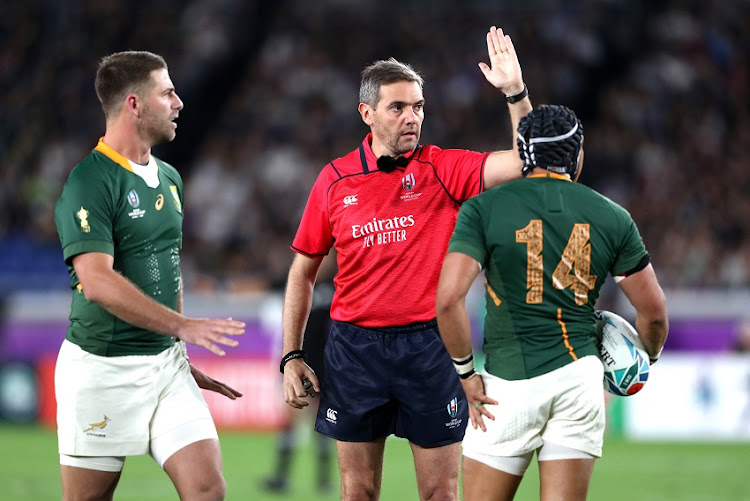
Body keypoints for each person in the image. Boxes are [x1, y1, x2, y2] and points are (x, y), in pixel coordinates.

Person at [280, 26, 532, 501]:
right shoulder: (333, 180)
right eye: (398, 107)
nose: (412, 117)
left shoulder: (443, 167)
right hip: (354, 350)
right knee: (357, 493)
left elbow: (526, 159)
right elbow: (303, 272)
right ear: (367, 113)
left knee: (441, 493)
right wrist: (292, 354)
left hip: (431, 348)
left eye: (418, 106)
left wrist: (515, 93)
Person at [435, 104, 669, 501]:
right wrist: (643, 359)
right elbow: (655, 315)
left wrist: (465, 373)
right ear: (576, 155)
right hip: (580, 379)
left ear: (523, 154)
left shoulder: (484, 208)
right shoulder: (612, 216)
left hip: (507, 383)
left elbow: (448, 300)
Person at [53, 51, 246, 501]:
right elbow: (97, 281)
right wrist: (182, 325)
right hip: (102, 370)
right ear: (134, 104)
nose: (179, 102)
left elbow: (168, 267)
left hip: (166, 367)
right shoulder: (90, 182)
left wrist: (175, 346)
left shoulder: (171, 178)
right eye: (168, 93)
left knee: (207, 488)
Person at [262, 255, 335, 494]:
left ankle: (324, 480)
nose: (324, 263)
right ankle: (281, 476)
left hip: (325, 366)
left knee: (322, 424)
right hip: (297, 363)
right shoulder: (295, 283)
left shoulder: (335, 286)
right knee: (290, 421)